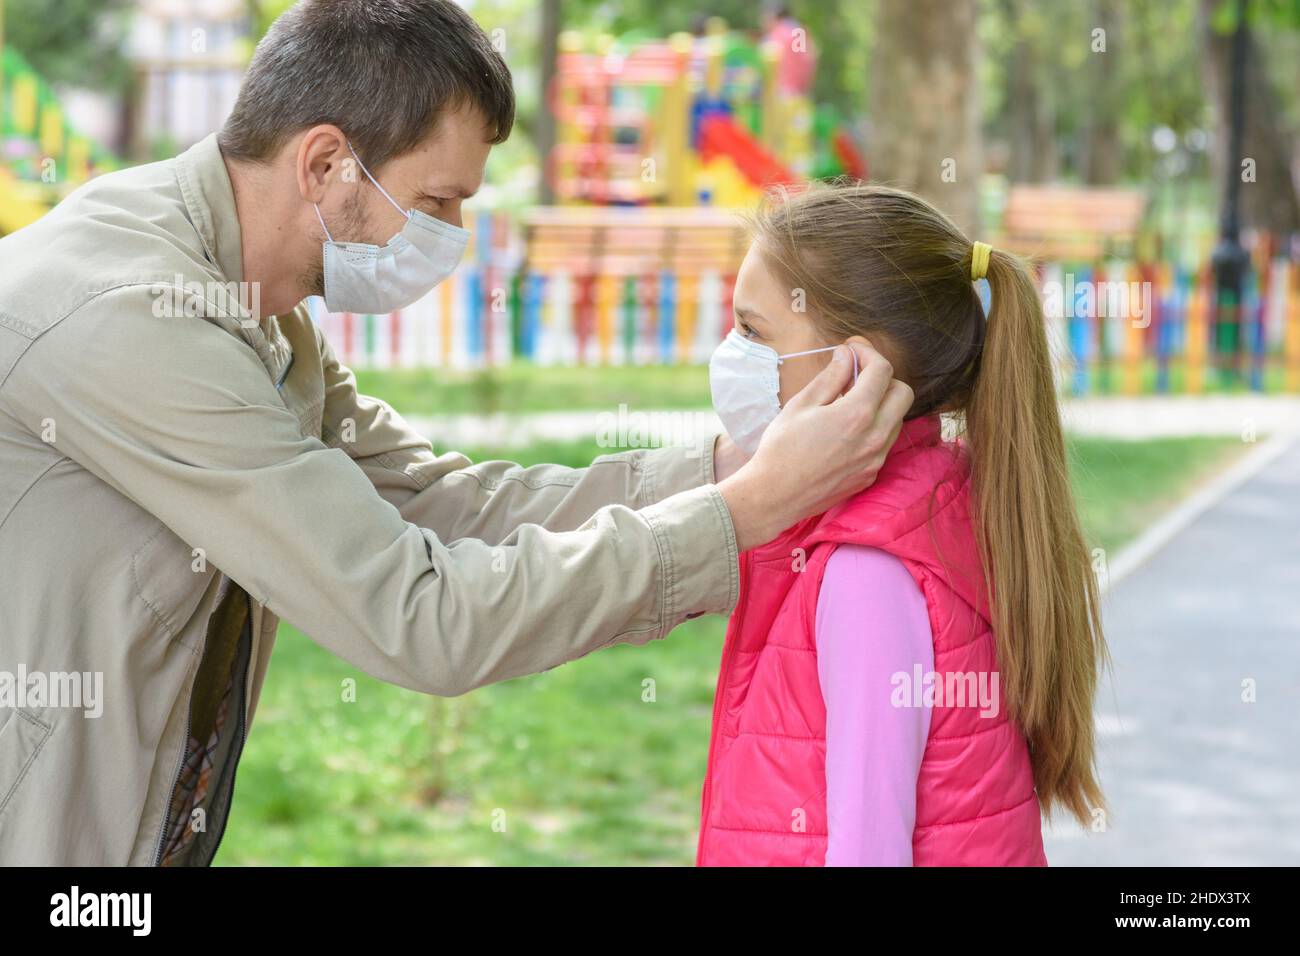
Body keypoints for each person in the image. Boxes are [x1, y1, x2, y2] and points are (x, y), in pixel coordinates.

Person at [0, 0, 913, 866]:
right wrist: (745, 515)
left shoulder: (258, 313)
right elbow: (419, 616)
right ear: (325, 163)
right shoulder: (136, 319)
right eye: (436, 202)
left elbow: (442, 502)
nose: (455, 234)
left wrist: (725, 469)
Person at [695, 183, 1109, 866]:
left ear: (852, 370)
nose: (731, 354)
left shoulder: (868, 569)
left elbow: (868, 851)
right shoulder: (943, 498)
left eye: (753, 331)